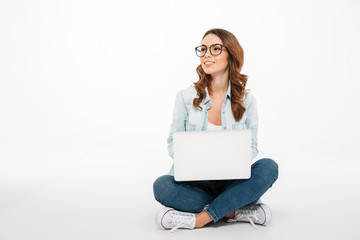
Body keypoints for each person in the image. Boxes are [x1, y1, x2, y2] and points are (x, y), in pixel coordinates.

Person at [153, 28, 279, 232]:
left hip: (233, 181)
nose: (206, 54)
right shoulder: (185, 97)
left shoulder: (247, 101)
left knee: (269, 167)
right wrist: (192, 161)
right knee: (161, 186)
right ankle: (234, 210)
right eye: (203, 49)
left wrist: (232, 162)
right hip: (195, 183)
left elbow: (252, 147)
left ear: (231, 54)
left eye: (215, 49)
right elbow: (171, 143)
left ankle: (200, 218)